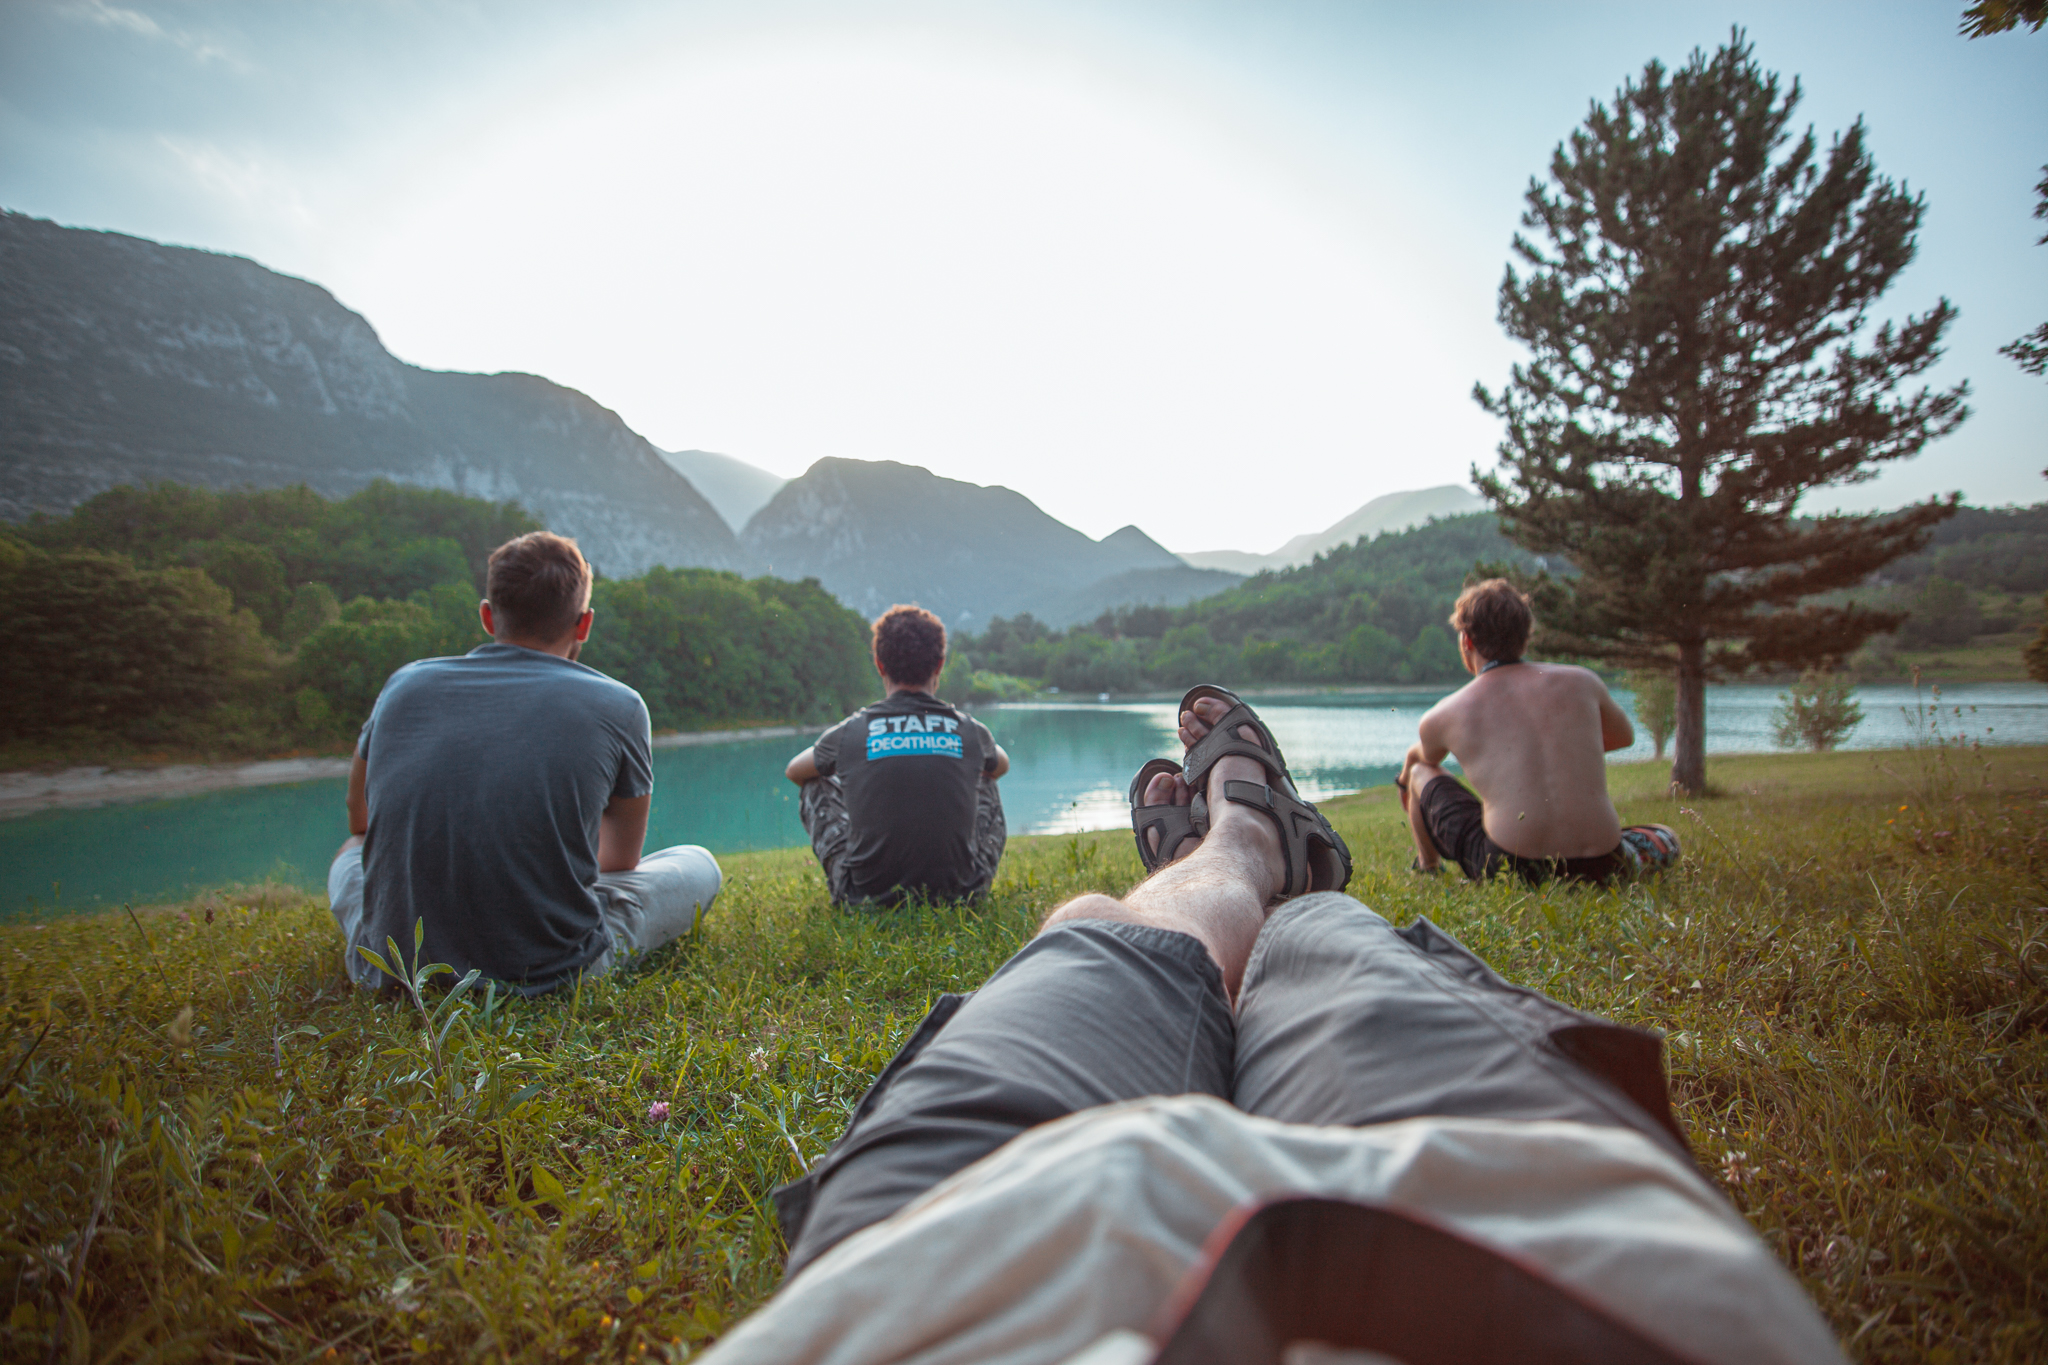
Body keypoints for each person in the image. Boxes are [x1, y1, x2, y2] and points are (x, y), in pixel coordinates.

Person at [698, 690, 1843, 1365]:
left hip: (929, 1265)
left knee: (1096, 925)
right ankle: (1263, 859)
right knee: (1318, 941)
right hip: (1512, 1213)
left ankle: (1228, 856)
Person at [326, 531, 722, 995]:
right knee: (698, 864)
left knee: (351, 853)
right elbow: (618, 859)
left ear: (488, 616)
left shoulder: (404, 685)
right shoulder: (621, 706)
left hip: (397, 970)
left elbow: (361, 820)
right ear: (584, 624)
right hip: (552, 968)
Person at [1397, 578, 1679, 885]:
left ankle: (1427, 867)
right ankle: (1632, 859)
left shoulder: (1445, 713)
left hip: (1513, 868)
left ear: (1466, 640)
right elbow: (1623, 738)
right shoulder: (1583, 682)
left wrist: (1406, 771)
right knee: (1667, 836)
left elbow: (1427, 758)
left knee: (1419, 774)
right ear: (1525, 637)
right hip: (1604, 863)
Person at [785, 604, 1010, 906]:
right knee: (986, 776)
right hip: (962, 896)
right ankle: (961, 883)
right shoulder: (970, 730)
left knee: (816, 782)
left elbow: (795, 771)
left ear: (879, 664)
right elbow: (1002, 764)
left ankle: (859, 881)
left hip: (865, 898)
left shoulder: (850, 731)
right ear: (939, 665)